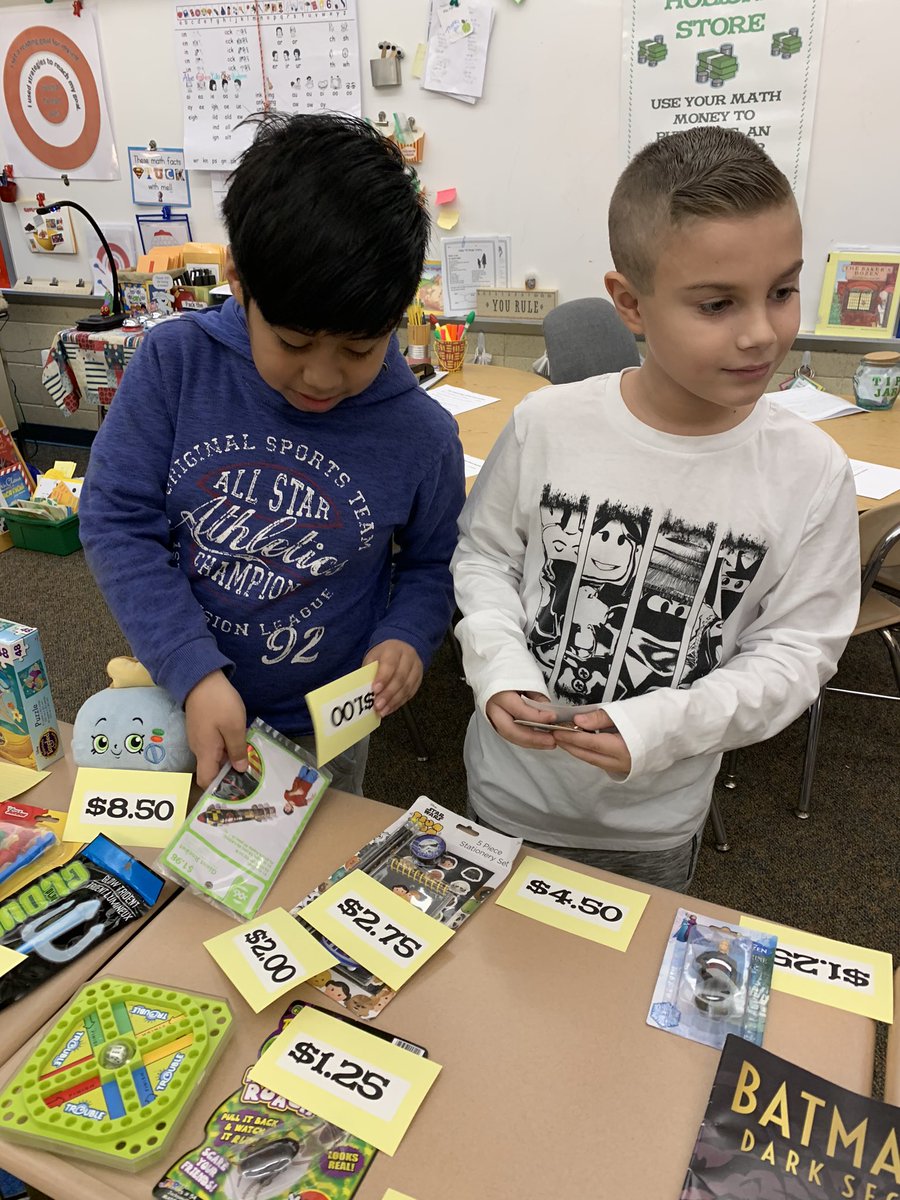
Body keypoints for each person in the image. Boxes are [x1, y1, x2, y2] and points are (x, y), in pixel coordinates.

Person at [452, 128, 860, 892]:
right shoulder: (547, 425)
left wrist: (661, 727)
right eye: (717, 304)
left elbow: (798, 652)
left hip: (655, 817)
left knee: (622, 992)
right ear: (630, 304)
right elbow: (484, 560)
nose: (762, 332)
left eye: (782, 290)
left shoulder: (811, 472)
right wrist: (500, 670)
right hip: (509, 791)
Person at [80, 112, 465, 793]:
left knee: (302, 882)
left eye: (359, 349)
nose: (322, 377)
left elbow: (433, 561)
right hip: (178, 699)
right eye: (291, 342)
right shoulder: (175, 366)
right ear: (239, 283)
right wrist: (194, 672)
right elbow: (116, 522)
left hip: (326, 729)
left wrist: (408, 633)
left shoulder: (422, 434)